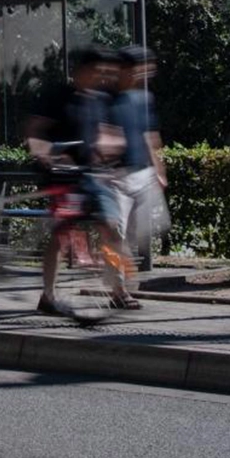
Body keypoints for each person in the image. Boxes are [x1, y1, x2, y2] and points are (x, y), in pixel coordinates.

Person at [24, 47, 140, 316]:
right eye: (98, 72)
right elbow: (34, 131)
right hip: (63, 176)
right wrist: (45, 154)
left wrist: (111, 150)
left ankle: (118, 291)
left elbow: (108, 135)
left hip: (90, 175)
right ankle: (48, 295)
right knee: (61, 235)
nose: (102, 78)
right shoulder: (58, 96)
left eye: (105, 73)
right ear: (81, 70)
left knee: (111, 227)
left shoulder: (100, 100)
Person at [110, 46, 167, 256]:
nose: (147, 74)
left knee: (139, 231)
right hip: (115, 175)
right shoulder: (108, 99)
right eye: (144, 68)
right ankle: (118, 283)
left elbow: (151, 137)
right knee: (118, 232)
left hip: (141, 173)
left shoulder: (144, 99)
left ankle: (119, 280)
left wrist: (159, 170)